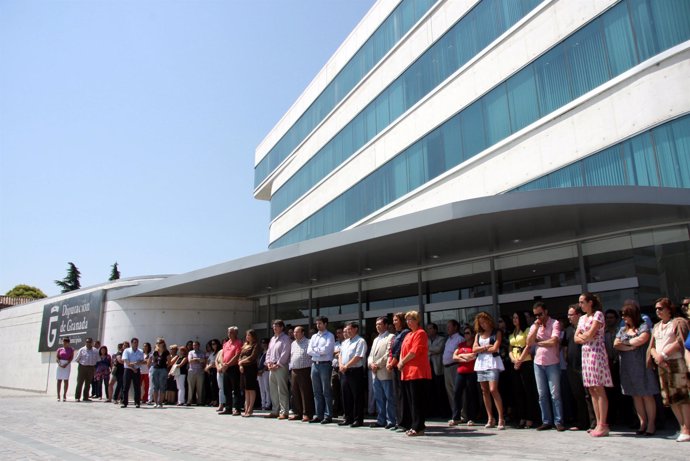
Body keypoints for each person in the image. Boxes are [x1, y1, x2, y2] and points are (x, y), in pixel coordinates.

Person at [648, 297, 690, 442]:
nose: (658, 311)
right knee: (670, 398)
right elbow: (652, 346)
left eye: (660, 308)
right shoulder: (657, 326)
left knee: (682, 396)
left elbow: (681, 341)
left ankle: (687, 428)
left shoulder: (677, 322)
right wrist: (656, 357)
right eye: (656, 309)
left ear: (669, 309)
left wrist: (664, 354)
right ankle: (681, 425)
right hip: (661, 364)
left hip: (675, 362)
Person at [614, 301, 659, 436]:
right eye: (622, 315)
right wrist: (630, 346)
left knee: (647, 395)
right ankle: (642, 422)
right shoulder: (622, 330)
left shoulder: (643, 327)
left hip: (642, 366)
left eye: (626, 315)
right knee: (636, 396)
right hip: (628, 367)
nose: (623, 318)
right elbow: (616, 344)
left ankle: (651, 424)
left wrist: (626, 343)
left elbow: (641, 340)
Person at [576, 292, 613, 437]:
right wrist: (584, 337)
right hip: (585, 353)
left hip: (596, 352)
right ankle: (597, 423)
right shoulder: (582, 318)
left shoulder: (598, 315)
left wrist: (584, 337)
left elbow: (591, 334)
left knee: (599, 388)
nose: (580, 305)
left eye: (582, 302)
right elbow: (576, 338)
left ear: (590, 302)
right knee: (591, 388)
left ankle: (603, 424)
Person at [527, 302, 565, 432]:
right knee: (542, 394)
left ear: (546, 312)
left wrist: (539, 342)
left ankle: (558, 421)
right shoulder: (534, 325)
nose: (538, 317)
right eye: (536, 315)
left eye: (540, 314)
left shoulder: (555, 323)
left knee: (555, 393)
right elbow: (529, 342)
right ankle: (546, 421)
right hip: (538, 363)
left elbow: (554, 341)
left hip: (552, 362)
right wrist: (536, 329)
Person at [398, 311, 432, 437]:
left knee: (417, 401)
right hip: (407, 372)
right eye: (407, 320)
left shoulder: (421, 333)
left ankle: (419, 427)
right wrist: (401, 362)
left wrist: (402, 362)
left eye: (411, 319)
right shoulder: (408, 335)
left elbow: (415, 351)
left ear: (417, 320)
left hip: (418, 372)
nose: (408, 322)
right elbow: (403, 351)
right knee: (411, 401)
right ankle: (414, 425)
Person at [563, 304, 595, 431]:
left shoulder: (585, 328)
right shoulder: (568, 330)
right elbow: (565, 346)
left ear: (578, 315)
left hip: (585, 365)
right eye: (568, 315)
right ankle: (582, 422)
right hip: (572, 366)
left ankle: (594, 422)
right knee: (578, 395)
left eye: (571, 315)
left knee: (589, 395)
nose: (569, 317)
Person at [473, 311, 505, 430]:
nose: (483, 325)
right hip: (481, 363)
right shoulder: (478, 334)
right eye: (481, 323)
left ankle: (501, 418)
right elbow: (474, 349)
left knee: (493, 389)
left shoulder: (497, 332)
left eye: (485, 322)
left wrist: (482, 349)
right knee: (484, 391)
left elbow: (495, 348)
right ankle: (490, 418)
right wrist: (485, 347)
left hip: (492, 362)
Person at [509, 311, 540, 429]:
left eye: (517, 317)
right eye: (514, 317)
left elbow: (528, 346)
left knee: (528, 392)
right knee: (518, 392)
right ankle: (522, 416)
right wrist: (513, 360)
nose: (515, 319)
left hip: (525, 362)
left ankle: (530, 418)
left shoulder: (526, 330)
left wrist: (520, 360)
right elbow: (510, 348)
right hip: (515, 363)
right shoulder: (513, 333)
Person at [368, 316, 395, 429]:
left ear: (385, 325)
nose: (377, 326)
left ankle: (391, 420)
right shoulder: (376, 339)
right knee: (379, 397)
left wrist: (377, 364)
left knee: (389, 397)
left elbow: (388, 353)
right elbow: (370, 355)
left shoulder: (391, 337)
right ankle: (381, 419)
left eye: (380, 324)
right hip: (375, 373)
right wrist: (371, 364)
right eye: (376, 324)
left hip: (384, 371)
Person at [338, 321, 367, 427]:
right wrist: (341, 365)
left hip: (355, 371)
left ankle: (358, 419)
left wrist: (346, 366)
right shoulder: (345, 342)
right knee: (346, 396)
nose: (348, 331)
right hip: (344, 372)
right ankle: (348, 418)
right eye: (347, 329)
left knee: (357, 396)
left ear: (355, 329)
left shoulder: (360, 341)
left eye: (350, 329)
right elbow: (340, 354)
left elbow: (358, 356)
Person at [307, 315, 335, 424]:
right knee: (316, 391)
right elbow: (309, 351)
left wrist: (316, 351)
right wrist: (318, 351)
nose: (318, 325)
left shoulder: (330, 336)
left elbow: (327, 350)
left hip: (325, 365)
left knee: (326, 391)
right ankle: (318, 415)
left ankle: (328, 415)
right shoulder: (314, 337)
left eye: (320, 323)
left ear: (325, 324)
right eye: (317, 323)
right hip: (315, 365)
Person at [387, 312, 411, 431]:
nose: (394, 322)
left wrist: (392, 363)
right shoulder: (397, 334)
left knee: (402, 395)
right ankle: (399, 421)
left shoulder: (405, 333)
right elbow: (392, 350)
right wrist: (389, 362)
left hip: (401, 367)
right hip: (395, 367)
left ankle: (404, 423)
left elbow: (400, 350)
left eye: (396, 320)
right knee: (397, 395)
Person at [452, 326, 478, 427]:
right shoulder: (460, 345)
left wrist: (461, 356)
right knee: (457, 393)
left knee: (471, 394)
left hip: (471, 371)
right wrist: (463, 358)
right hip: (461, 371)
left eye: (467, 333)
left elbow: (474, 356)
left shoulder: (474, 345)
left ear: (472, 334)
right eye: (464, 333)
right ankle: (456, 417)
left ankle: (472, 418)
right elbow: (454, 357)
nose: (465, 335)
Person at [265, 319, 291, 419]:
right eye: (273, 326)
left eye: (276, 326)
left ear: (282, 327)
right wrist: (268, 363)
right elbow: (268, 352)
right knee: (273, 390)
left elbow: (285, 353)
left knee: (282, 389)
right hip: (272, 367)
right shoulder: (272, 339)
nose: (274, 328)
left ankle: (284, 412)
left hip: (281, 367)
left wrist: (278, 364)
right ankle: (275, 410)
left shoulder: (285, 338)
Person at [289, 326, 314, 421]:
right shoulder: (293, 344)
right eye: (294, 332)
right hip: (294, 370)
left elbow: (312, 355)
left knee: (305, 392)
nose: (295, 334)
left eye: (297, 332)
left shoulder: (309, 342)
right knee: (295, 392)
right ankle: (298, 412)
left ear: (303, 333)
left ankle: (307, 413)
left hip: (305, 370)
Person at [442, 319, 463, 422]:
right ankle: (454, 413)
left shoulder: (459, 339)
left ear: (455, 327)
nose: (448, 328)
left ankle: (462, 414)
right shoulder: (448, 339)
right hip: (446, 368)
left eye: (450, 326)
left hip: (455, 366)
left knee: (457, 391)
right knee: (450, 391)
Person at [219, 326, 243, 415]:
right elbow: (222, 355)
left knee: (236, 389)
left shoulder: (239, 343)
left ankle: (237, 408)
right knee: (226, 389)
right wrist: (223, 364)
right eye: (228, 332)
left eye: (231, 332)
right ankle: (228, 408)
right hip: (226, 368)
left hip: (233, 368)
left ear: (236, 333)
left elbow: (237, 356)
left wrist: (228, 364)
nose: (229, 334)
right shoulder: (226, 343)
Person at [425, 322, 446, 417]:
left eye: (430, 328)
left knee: (440, 390)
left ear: (435, 330)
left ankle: (442, 411)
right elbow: (424, 350)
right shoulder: (426, 340)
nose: (428, 330)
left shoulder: (441, 339)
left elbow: (439, 349)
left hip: (438, 369)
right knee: (430, 391)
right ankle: (432, 411)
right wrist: (430, 351)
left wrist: (429, 350)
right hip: (428, 369)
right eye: (427, 329)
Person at [239, 329, 260, 417]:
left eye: (249, 335)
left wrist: (242, 362)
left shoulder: (255, 345)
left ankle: (250, 408)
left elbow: (252, 357)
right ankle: (246, 408)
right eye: (247, 335)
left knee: (251, 388)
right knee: (246, 389)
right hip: (243, 368)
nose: (247, 337)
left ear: (253, 336)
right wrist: (240, 365)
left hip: (251, 368)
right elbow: (240, 356)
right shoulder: (245, 345)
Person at [121, 337, 145, 408]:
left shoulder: (140, 351)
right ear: (131, 343)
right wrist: (133, 367)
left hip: (137, 370)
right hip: (128, 370)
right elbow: (126, 361)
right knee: (126, 386)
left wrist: (135, 364)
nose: (136, 344)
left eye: (137, 342)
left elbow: (141, 361)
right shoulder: (126, 350)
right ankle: (124, 402)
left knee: (137, 387)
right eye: (134, 342)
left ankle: (137, 402)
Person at [73, 337, 98, 402]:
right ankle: (77, 397)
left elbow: (97, 360)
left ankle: (85, 397)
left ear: (92, 343)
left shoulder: (95, 350)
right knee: (80, 383)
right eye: (87, 342)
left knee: (88, 383)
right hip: (82, 367)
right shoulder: (82, 350)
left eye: (90, 342)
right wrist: (83, 364)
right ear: (85, 342)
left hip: (91, 368)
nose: (88, 343)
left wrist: (94, 368)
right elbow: (77, 359)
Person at [150, 338, 169, 408]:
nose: (158, 344)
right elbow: (153, 361)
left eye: (160, 343)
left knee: (162, 386)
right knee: (155, 387)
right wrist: (155, 351)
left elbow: (169, 362)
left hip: (163, 369)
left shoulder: (166, 352)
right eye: (157, 343)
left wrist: (165, 367)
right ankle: (155, 402)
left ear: (163, 343)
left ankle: (160, 403)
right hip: (155, 369)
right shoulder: (155, 352)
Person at [187, 340, 207, 406]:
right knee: (190, 387)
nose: (194, 346)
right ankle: (189, 401)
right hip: (192, 371)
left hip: (200, 372)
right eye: (193, 345)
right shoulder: (190, 352)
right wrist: (198, 360)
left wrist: (195, 359)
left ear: (199, 345)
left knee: (200, 387)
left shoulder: (202, 353)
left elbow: (204, 361)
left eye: (195, 345)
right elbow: (190, 361)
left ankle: (200, 401)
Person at [55, 337, 74, 402]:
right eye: (63, 342)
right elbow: (57, 357)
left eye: (66, 342)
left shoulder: (71, 349)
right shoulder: (59, 349)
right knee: (59, 380)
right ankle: (58, 395)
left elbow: (71, 358)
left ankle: (64, 395)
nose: (64, 343)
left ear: (68, 343)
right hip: (60, 364)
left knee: (66, 380)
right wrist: (59, 363)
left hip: (67, 364)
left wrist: (66, 364)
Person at [205, 339, 220, 408]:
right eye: (212, 344)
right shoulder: (212, 353)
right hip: (210, 371)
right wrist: (207, 367)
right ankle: (213, 399)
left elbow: (215, 363)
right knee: (211, 386)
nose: (213, 345)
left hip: (215, 370)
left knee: (216, 386)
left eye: (214, 344)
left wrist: (209, 367)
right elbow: (208, 361)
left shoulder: (219, 352)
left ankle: (216, 400)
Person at [257, 338, 271, 411]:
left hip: (266, 371)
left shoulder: (269, 352)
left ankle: (268, 404)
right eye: (262, 343)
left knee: (267, 388)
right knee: (261, 389)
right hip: (259, 373)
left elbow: (268, 362)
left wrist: (263, 370)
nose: (264, 344)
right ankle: (262, 404)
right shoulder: (261, 352)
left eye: (265, 343)